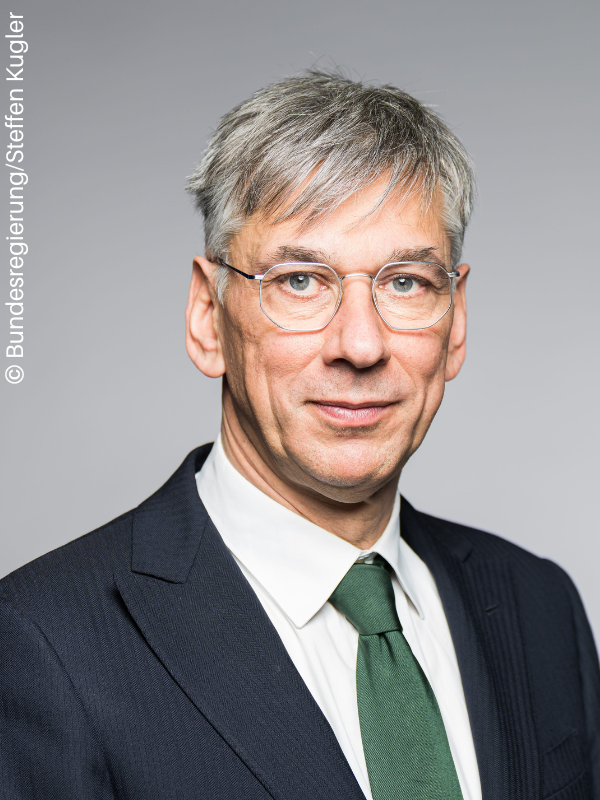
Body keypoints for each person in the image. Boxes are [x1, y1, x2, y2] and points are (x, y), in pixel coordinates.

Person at [1, 71, 598, 800]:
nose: (360, 345)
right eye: (300, 280)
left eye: (405, 282)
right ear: (208, 316)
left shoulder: (540, 607)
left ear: (456, 322)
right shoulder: (44, 642)